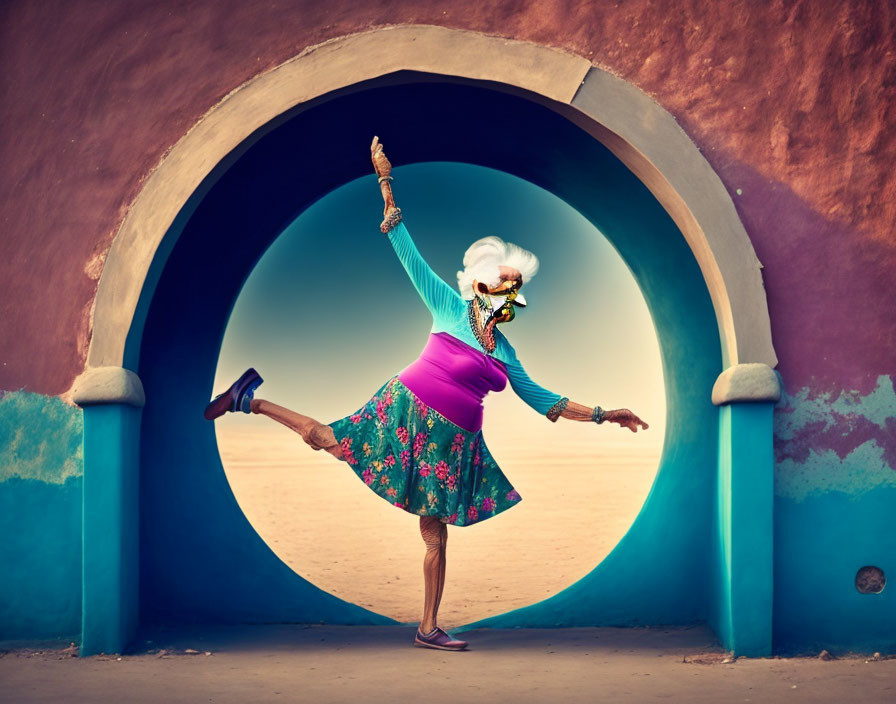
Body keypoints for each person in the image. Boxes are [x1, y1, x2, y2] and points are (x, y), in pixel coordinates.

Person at [204, 137, 649, 652]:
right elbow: (404, 247)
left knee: (435, 534)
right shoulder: (449, 307)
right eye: (505, 281)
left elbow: (545, 400)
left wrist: (603, 413)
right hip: (404, 414)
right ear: (481, 285)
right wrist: (385, 181)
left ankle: (428, 627)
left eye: (516, 286)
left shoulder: (506, 352)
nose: (511, 292)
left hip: (451, 446)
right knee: (328, 439)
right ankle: (251, 401)